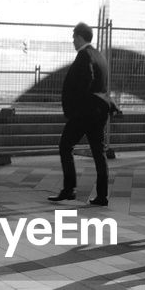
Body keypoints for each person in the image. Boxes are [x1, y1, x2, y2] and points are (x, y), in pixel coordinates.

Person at [48, 22, 111, 206]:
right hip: (98, 113)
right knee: (99, 153)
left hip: (84, 114)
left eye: (73, 37)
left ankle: (69, 189)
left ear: (80, 37)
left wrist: (75, 108)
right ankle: (102, 195)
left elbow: (85, 83)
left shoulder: (84, 56)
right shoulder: (99, 56)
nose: (72, 41)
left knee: (65, 146)